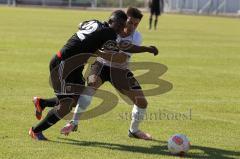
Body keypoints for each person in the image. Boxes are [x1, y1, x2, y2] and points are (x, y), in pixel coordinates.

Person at [29, 10, 158, 140]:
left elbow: (81, 25)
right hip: (64, 65)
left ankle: (42, 103)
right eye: (121, 25)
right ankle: (36, 131)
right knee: (67, 104)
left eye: (123, 26)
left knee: (77, 99)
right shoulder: (110, 34)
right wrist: (146, 49)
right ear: (111, 22)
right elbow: (124, 48)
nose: (121, 29)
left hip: (77, 67)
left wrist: (91, 46)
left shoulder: (96, 23)